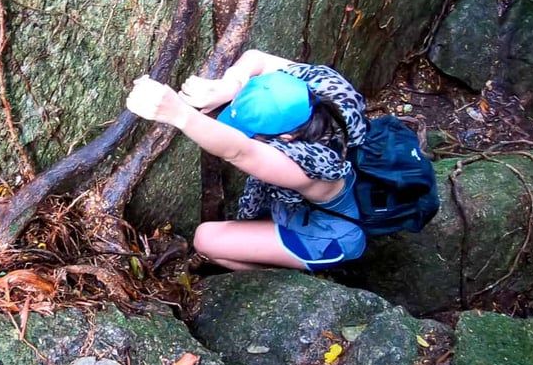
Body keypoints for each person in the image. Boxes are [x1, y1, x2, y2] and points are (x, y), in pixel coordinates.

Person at [125, 49, 368, 271]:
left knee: (207, 241)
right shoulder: (320, 88)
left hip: (327, 236)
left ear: (286, 137)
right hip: (310, 206)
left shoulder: (309, 166)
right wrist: (232, 85)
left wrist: (179, 114)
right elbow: (258, 58)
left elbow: (240, 151)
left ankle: (291, 278)